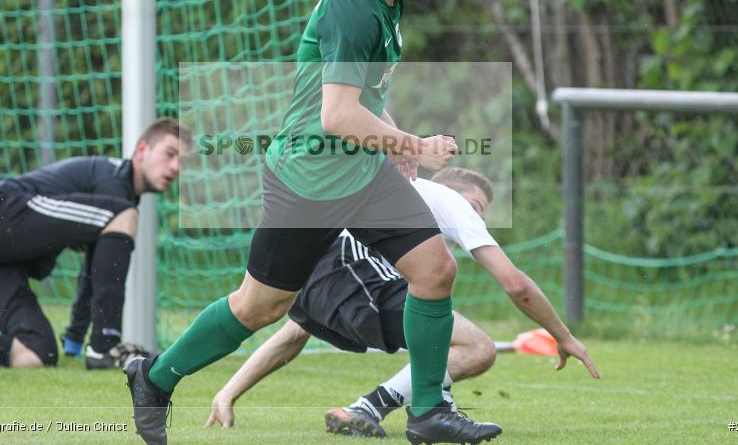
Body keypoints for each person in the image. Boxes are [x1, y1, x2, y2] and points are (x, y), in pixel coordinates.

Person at [124, 0, 502, 445]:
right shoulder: (352, 8)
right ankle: (155, 378)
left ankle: (428, 413)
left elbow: (364, 94)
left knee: (434, 270)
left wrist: (393, 143)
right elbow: (337, 115)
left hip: (359, 171)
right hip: (308, 182)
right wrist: (414, 145)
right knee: (259, 307)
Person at [203, 168, 600, 438]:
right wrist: (563, 335)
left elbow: (294, 333)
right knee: (477, 347)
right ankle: (369, 409)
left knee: (438, 334)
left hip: (319, 276)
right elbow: (516, 285)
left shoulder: (402, 234)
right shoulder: (445, 200)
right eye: (476, 207)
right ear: (450, 190)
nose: (477, 217)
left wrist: (228, 391)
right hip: (343, 271)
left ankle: (430, 408)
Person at [0, 117, 190, 370]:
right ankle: (104, 346)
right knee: (124, 214)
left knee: (37, 352)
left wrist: (74, 338)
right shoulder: (114, 180)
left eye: (182, 161)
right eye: (169, 154)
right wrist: (102, 344)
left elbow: (94, 269)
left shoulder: (118, 203)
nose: (176, 167)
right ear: (142, 150)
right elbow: (95, 269)